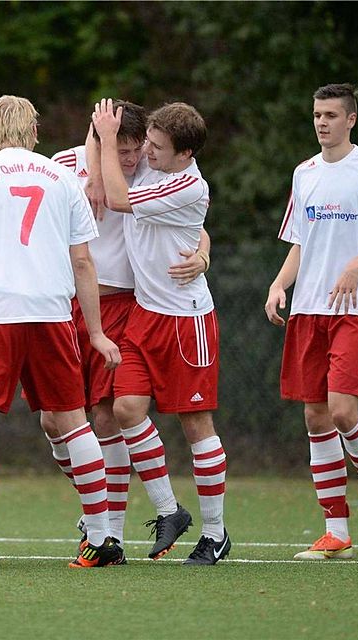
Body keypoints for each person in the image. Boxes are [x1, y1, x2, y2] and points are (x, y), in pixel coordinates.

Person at [0, 95, 123, 569]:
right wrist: (94, 332)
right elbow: (82, 261)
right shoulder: (63, 178)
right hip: (52, 314)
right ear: (33, 131)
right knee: (74, 421)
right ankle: (101, 539)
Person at [44, 102, 212, 555]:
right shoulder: (62, 165)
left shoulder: (145, 175)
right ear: (99, 140)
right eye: (121, 151)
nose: (133, 159)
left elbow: (192, 221)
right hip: (63, 304)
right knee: (53, 421)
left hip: (119, 302)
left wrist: (204, 253)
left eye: (138, 149)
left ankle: (109, 528)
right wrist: (94, 165)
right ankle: (96, 505)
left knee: (106, 415)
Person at [265, 83, 358, 560]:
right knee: (315, 415)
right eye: (316, 115)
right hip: (310, 307)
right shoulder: (304, 173)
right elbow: (300, 242)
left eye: (330, 115)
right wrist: (279, 283)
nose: (321, 122)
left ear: (350, 120)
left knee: (344, 411)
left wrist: (355, 265)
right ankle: (336, 532)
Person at [93, 98, 231, 565]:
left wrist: (108, 141)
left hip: (185, 319)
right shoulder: (151, 167)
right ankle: (170, 512)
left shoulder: (189, 186)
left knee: (196, 426)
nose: (145, 153)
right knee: (126, 408)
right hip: (144, 315)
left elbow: (117, 199)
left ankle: (215, 533)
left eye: (156, 147)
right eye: (145, 143)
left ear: (185, 154)